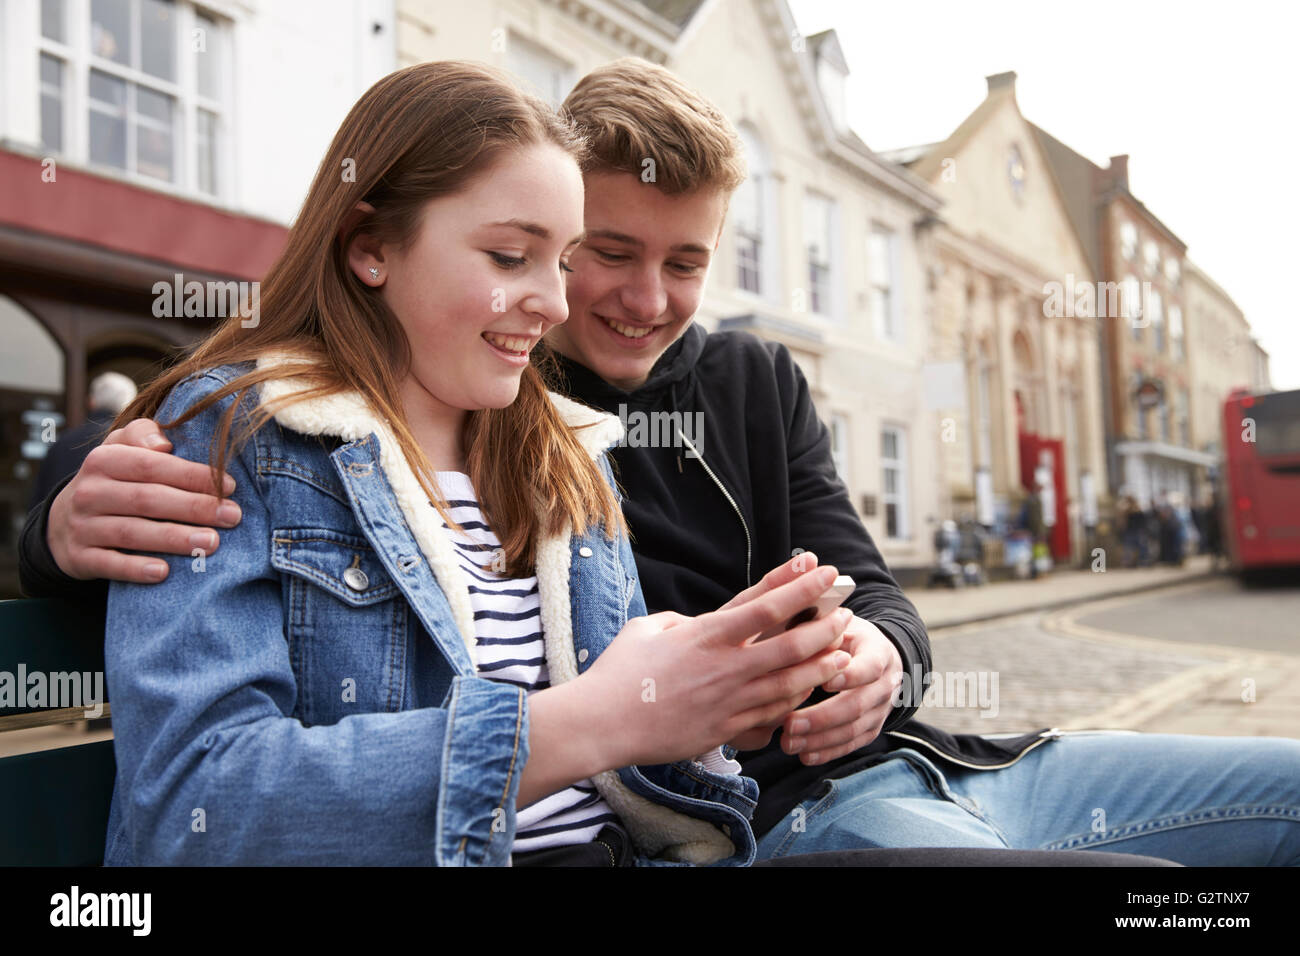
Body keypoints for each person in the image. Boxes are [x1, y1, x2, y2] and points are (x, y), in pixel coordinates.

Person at [23, 58, 1296, 866]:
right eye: (587, 254)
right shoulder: (343, 412)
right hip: (815, 821)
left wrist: (874, 660)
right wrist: (60, 504)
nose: (630, 298)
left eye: (682, 263)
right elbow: (229, 434)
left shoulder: (600, 433)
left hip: (910, 765)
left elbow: (854, 592)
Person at [82, 60, 865, 867]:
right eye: (507, 257)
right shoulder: (236, 437)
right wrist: (599, 718)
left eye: (561, 261)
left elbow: (635, 765)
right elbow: (194, 808)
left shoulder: (564, 454)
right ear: (370, 246)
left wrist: (723, 693)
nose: (555, 304)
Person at [28, 371, 137, 509]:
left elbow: (37, 503)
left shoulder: (61, 442)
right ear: (130, 405)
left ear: (91, 402)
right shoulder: (130, 444)